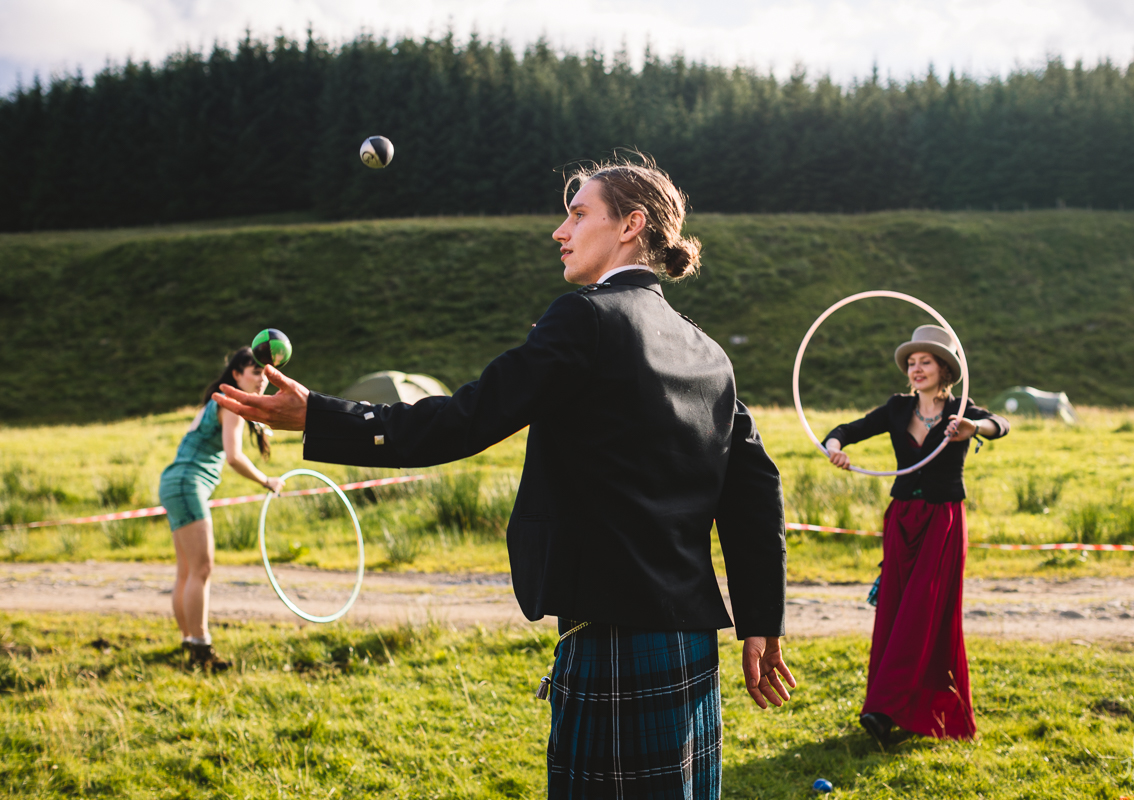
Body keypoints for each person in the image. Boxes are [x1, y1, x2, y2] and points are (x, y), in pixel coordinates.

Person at [216, 158, 795, 799]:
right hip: (690, 640)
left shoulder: (586, 319)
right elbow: (754, 492)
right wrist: (761, 620)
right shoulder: (707, 350)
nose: (559, 231)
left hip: (610, 634)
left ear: (631, 226)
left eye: (578, 214)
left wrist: (321, 416)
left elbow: (465, 419)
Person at [823, 325, 1009, 743]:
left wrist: (973, 429)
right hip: (902, 521)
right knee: (896, 608)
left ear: (944, 368)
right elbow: (845, 429)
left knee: (924, 612)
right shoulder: (896, 407)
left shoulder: (963, 410)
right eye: (911, 362)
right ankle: (892, 707)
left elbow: (1002, 424)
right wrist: (835, 446)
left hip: (943, 522)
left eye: (925, 361)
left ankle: (885, 710)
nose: (916, 368)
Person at [159, 347, 285, 670]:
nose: (261, 380)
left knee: (187, 571)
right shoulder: (231, 406)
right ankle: (201, 651)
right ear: (236, 375)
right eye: (255, 372)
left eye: (265, 374)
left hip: (174, 482)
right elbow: (234, 456)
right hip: (188, 484)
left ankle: (190, 641)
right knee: (201, 569)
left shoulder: (213, 401)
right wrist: (265, 480)